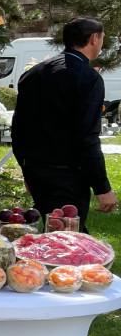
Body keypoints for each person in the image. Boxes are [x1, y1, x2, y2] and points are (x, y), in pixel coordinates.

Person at [11, 16, 117, 231]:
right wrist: (102, 188)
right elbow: (87, 136)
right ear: (94, 39)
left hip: (36, 168)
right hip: (66, 173)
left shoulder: (34, 73)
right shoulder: (87, 78)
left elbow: (19, 128)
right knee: (69, 239)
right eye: (102, 38)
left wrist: (26, 168)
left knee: (56, 233)